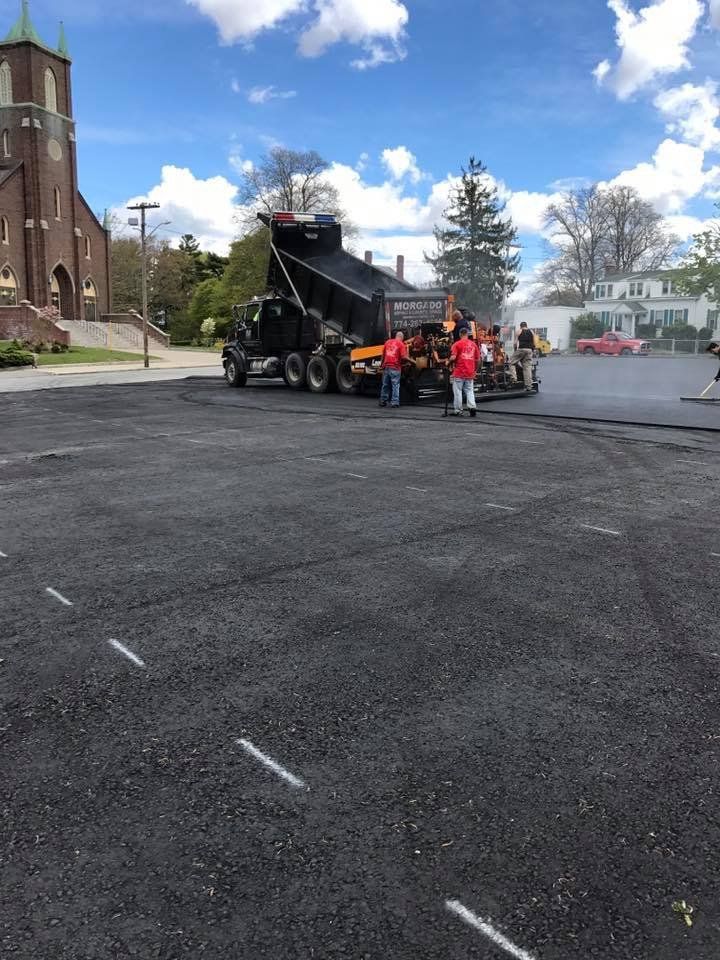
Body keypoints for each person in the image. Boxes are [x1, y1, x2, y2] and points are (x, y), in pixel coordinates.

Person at [449, 327, 481, 416]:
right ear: (467, 334)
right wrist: (475, 370)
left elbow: (453, 357)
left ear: (460, 334)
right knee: (470, 390)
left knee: (458, 391)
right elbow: (478, 360)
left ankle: (458, 410)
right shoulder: (473, 345)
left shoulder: (457, 344)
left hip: (459, 371)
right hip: (470, 372)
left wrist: (448, 361)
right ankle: (472, 407)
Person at [379, 330, 408, 408]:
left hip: (386, 367)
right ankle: (394, 402)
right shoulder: (401, 344)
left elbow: (383, 355)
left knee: (385, 385)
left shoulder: (387, 342)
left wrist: (381, 365)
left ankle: (382, 401)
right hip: (395, 367)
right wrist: (412, 361)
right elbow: (403, 357)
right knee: (395, 385)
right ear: (401, 337)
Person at [507, 321, 535, 392]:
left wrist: (515, 350)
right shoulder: (531, 332)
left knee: (511, 362)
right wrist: (532, 350)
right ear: (526, 326)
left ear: (521, 326)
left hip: (522, 349)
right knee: (527, 368)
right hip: (529, 350)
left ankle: (514, 379)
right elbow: (534, 343)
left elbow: (515, 343)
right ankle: (529, 386)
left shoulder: (519, 331)